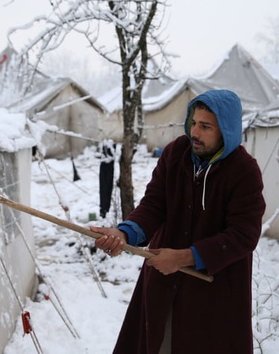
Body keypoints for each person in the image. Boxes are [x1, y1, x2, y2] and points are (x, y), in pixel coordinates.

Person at [90, 89, 266, 354]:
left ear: (226, 130)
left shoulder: (243, 171)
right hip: (164, 282)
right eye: (194, 123)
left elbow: (244, 234)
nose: (195, 132)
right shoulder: (176, 154)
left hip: (214, 296)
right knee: (160, 343)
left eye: (205, 126)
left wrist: (186, 257)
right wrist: (124, 234)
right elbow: (153, 205)